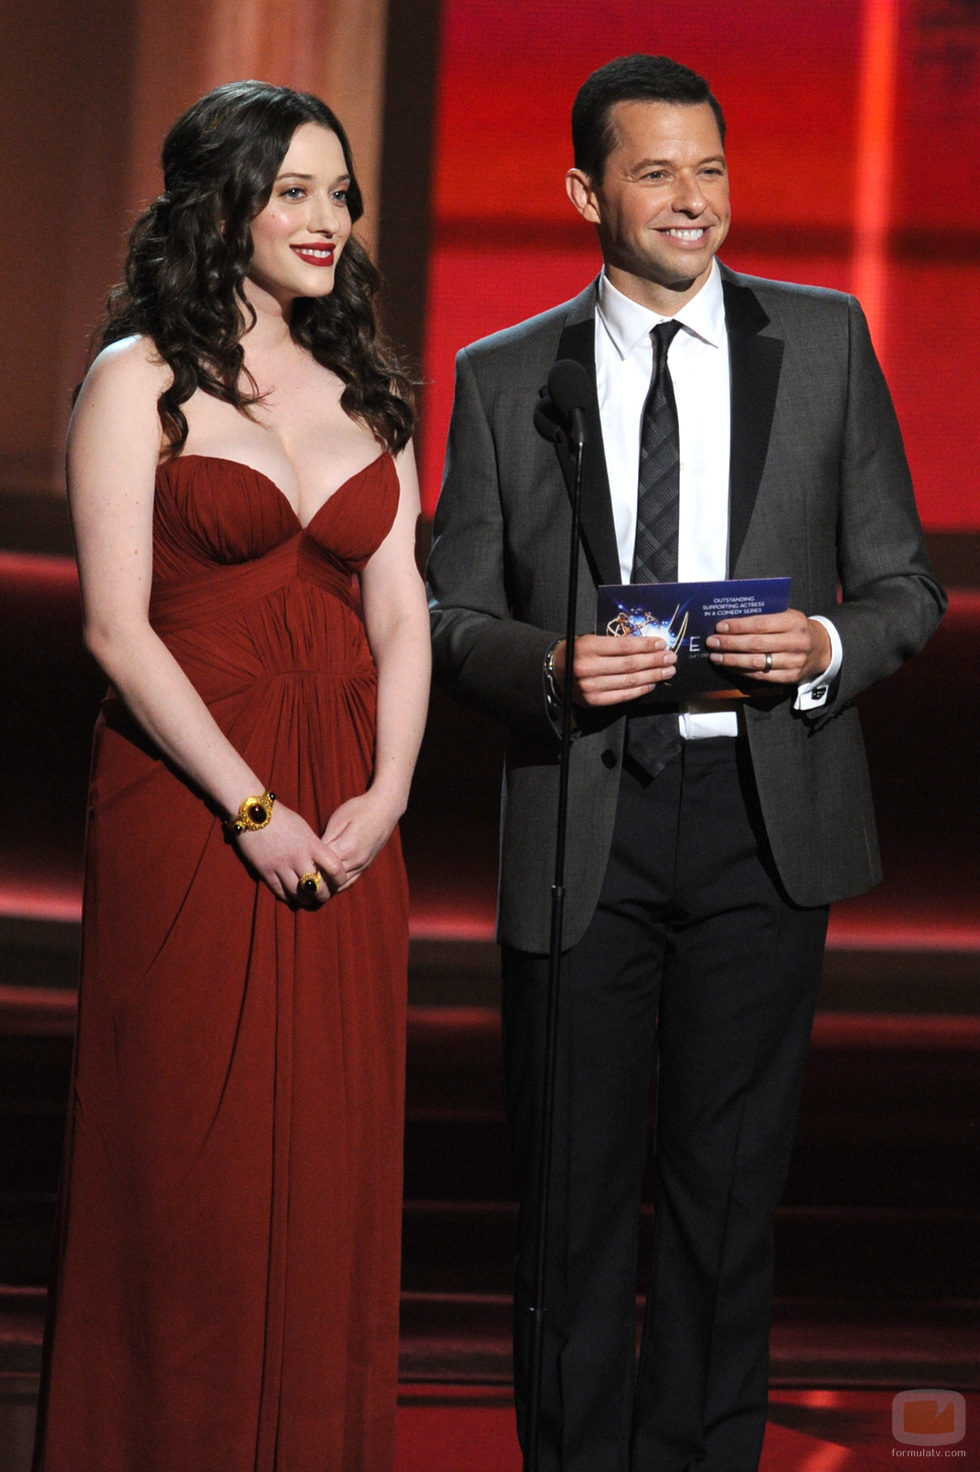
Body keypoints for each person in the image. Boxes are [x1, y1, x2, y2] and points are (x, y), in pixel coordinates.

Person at [427, 53, 945, 1472]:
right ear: (586, 190)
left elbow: (907, 587)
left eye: (710, 168)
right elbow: (445, 610)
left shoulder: (827, 343)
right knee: (572, 1204)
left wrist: (826, 644)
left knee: (726, 1202)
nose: (692, 200)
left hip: (761, 812)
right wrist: (547, 667)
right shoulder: (503, 376)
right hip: (583, 811)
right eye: (656, 172)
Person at [33, 81, 430, 1472]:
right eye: (296, 192)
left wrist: (386, 792)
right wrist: (249, 808)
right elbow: (115, 629)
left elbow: (400, 610)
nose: (328, 220)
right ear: (223, 205)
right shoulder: (137, 378)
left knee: (327, 1164)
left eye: (341, 195)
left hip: (350, 805)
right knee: (188, 1161)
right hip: (196, 803)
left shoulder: (369, 384)